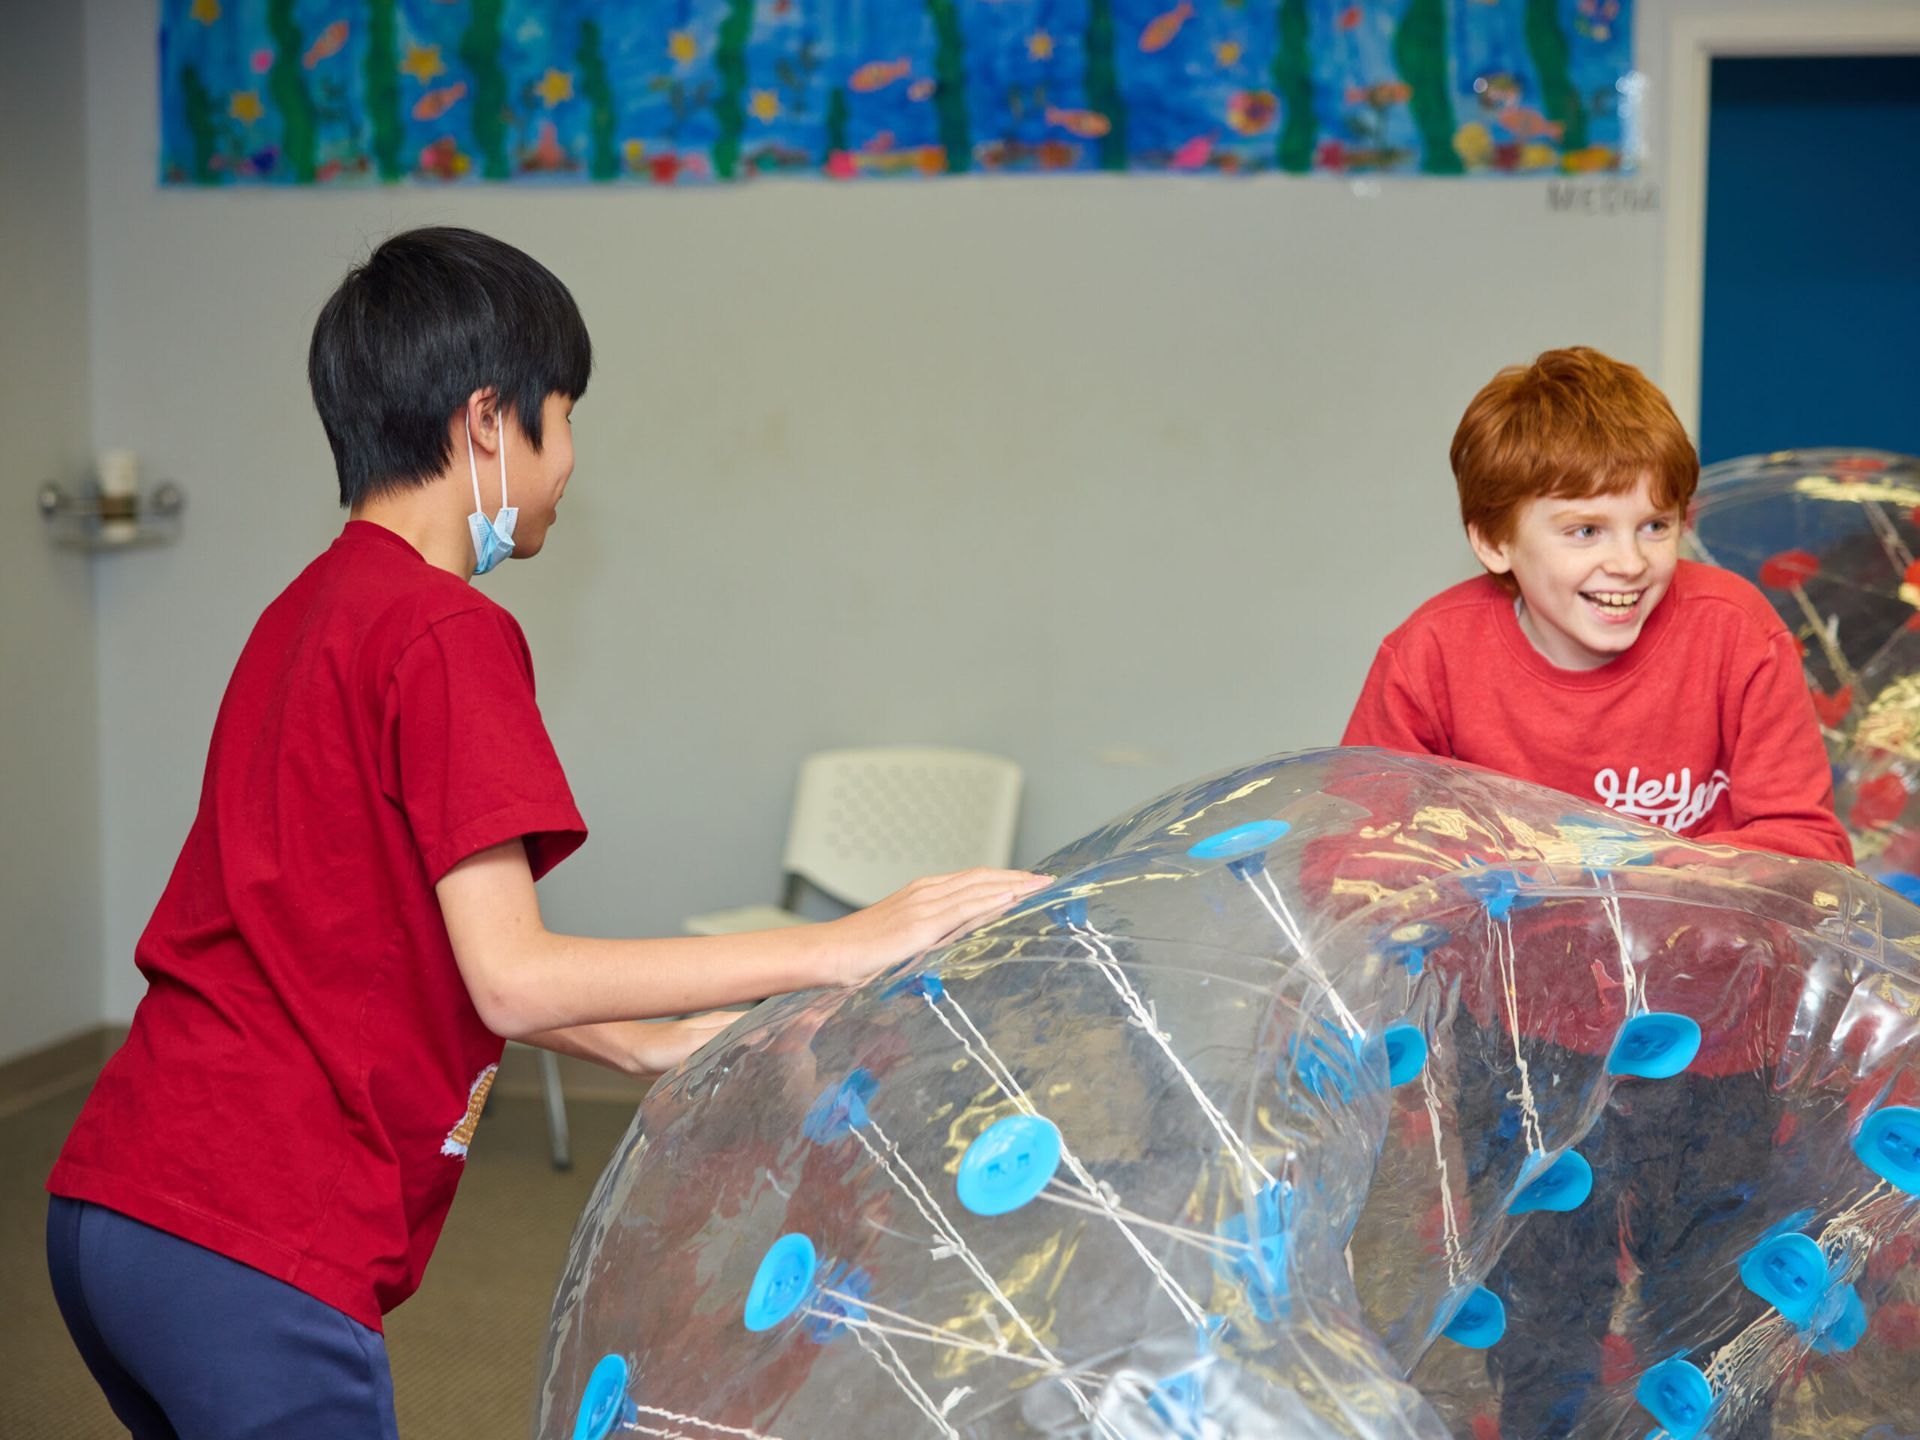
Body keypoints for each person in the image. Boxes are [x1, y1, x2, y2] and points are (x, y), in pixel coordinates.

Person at [44, 226, 1047, 1440]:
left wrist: (650, 1045)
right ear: (485, 424)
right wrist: (841, 945)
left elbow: (382, 942)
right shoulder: (447, 634)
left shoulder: (304, 612)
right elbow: (515, 980)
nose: (569, 463)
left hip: (116, 1210)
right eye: (562, 417)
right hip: (256, 1241)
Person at [1342, 347, 1850, 1438]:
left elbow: (1808, 851)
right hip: (1524, 1049)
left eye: (1655, 525)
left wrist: (1627, 870)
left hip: (1716, 1050)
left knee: (1713, 1320)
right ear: (1493, 542)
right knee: (1542, 1313)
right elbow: (1355, 853)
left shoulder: (1731, 632)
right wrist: (1472, 877)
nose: (1630, 564)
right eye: (1583, 530)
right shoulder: (1432, 656)